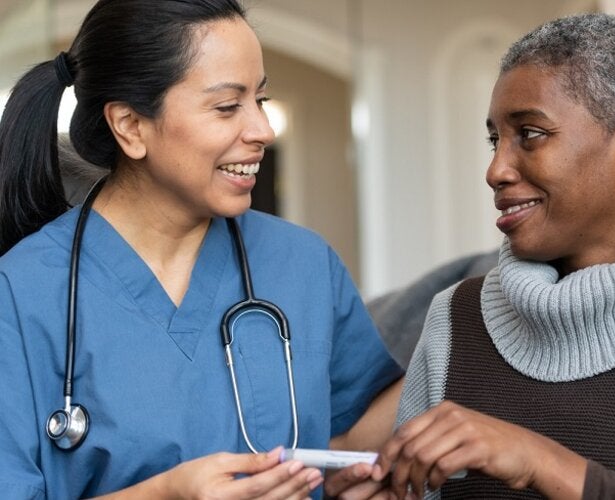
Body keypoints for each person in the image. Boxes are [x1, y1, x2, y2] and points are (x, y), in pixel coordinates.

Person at [326, 12, 615, 500]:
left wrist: (542, 463)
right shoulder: (454, 317)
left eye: (530, 134)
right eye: (495, 139)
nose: (495, 169)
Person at [0, 1, 403, 498]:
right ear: (129, 125)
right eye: (227, 106)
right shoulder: (21, 293)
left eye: (261, 99)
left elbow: (346, 439)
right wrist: (168, 494)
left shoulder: (303, 264)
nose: (262, 130)